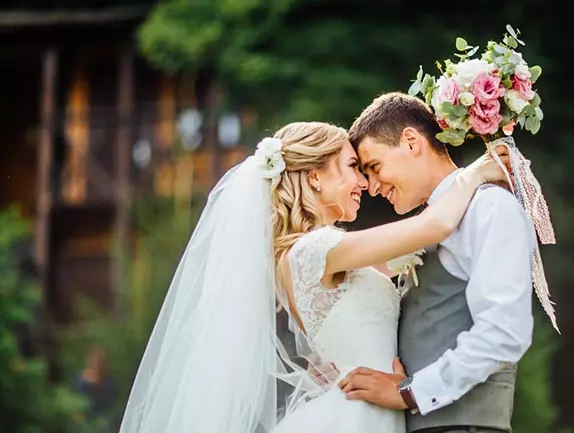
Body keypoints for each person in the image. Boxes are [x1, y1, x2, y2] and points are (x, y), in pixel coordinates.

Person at [118, 120, 509, 433]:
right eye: (353, 168)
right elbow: (433, 226)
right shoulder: (313, 250)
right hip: (358, 417)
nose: (364, 184)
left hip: (374, 407)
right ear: (316, 176)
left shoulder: (316, 252)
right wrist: (472, 175)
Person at [338, 92, 535, 433]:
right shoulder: (425, 226)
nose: (371, 186)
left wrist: (411, 392)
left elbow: (504, 332)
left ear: (411, 142)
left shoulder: (487, 208)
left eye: (374, 166)